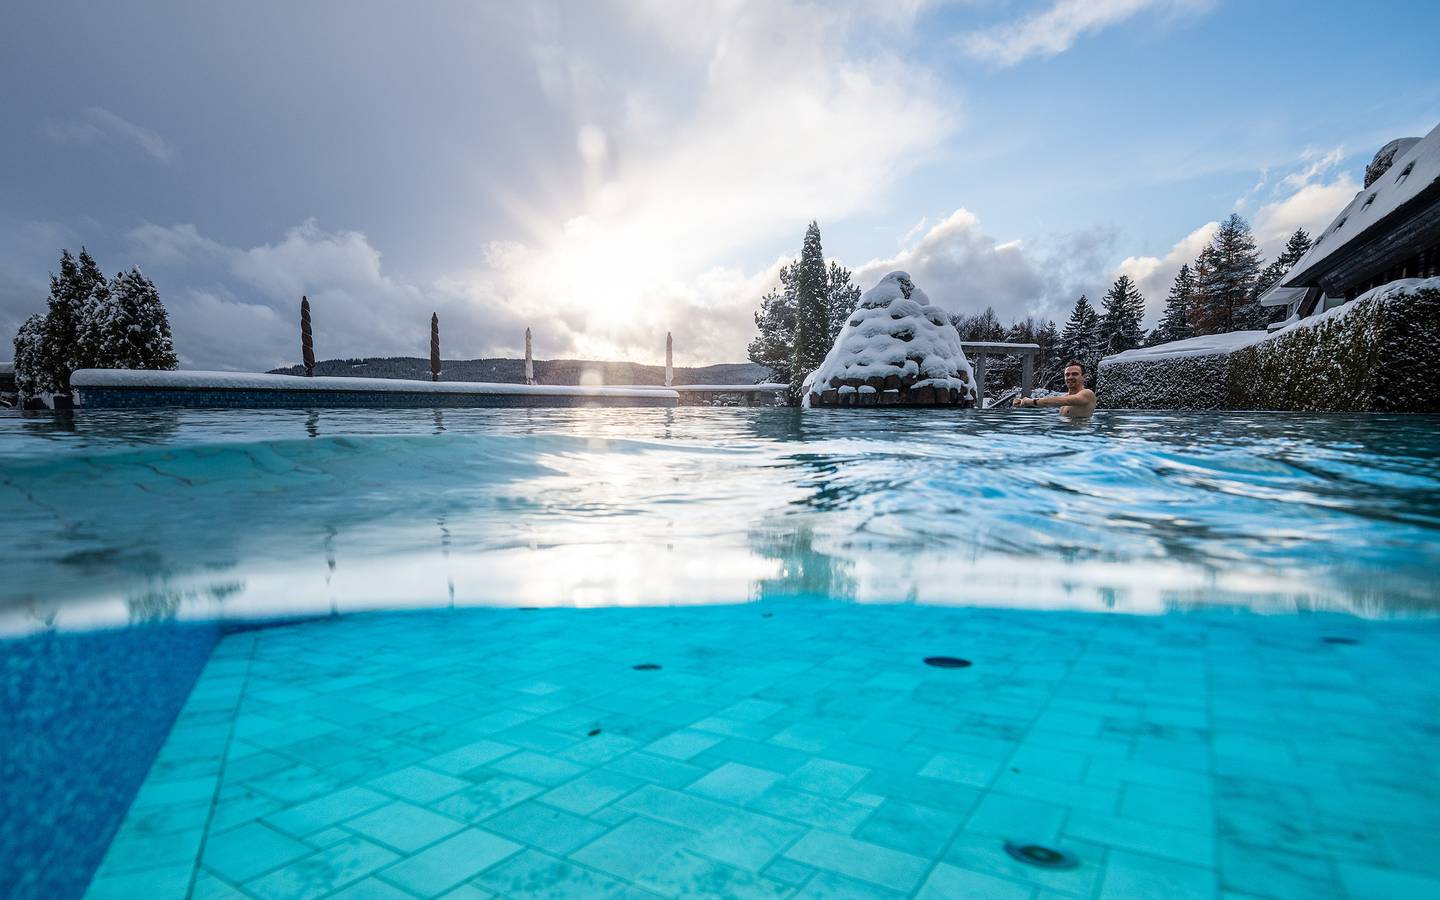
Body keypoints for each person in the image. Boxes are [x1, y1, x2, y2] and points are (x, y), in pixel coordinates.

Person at [1013, 360, 1096, 417]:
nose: (1070, 377)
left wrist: (1030, 401)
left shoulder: (1087, 394)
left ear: (1084, 377)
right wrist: (1022, 402)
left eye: (1074, 374)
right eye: (1067, 375)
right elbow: (1050, 403)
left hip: (1080, 438)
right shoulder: (1066, 397)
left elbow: (1063, 401)